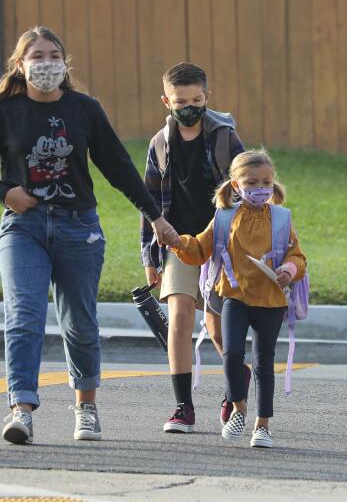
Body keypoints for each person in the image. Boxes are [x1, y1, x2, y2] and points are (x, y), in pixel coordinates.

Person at [0, 26, 179, 445]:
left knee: (79, 323)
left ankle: (86, 408)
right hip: (23, 227)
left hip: (78, 226)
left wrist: (156, 217)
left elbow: (117, 166)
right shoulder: (5, 111)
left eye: (53, 55)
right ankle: (21, 409)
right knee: (23, 317)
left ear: (65, 62)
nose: (46, 64)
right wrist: (4, 192)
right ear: (20, 65)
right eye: (37, 57)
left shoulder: (85, 109)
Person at [170, 150, 307, 448]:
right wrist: (177, 241)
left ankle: (263, 425)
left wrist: (288, 269)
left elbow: (298, 256)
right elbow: (200, 249)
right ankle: (239, 409)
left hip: (271, 301)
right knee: (231, 354)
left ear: (273, 183)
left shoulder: (282, 218)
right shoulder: (225, 217)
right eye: (252, 182)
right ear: (236, 185)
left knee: (264, 363)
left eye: (266, 182)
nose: (260, 188)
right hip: (234, 296)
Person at [141, 62, 245, 433]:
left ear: (207, 97)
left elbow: (248, 185)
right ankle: (183, 406)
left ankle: (237, 386)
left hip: (221, 242)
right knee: (181, 315)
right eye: (180, 101)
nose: (189, 108)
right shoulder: (159, 144)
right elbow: (149, 200)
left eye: (196, 100)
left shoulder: (224, 137)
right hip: (179, 242)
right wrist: (149, 256)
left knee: (217, 330)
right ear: (166, 101)